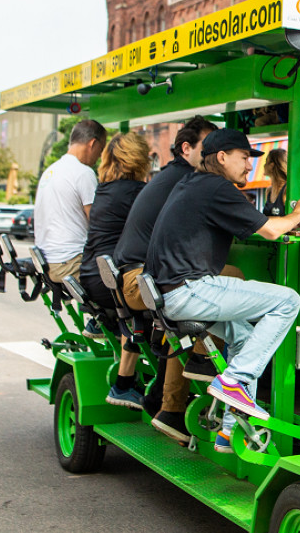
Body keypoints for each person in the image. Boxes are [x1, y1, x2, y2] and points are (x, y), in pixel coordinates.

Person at [145, 128, 300, 451]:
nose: (249, 167)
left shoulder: (193, 184)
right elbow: (271, 231)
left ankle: (228, 430)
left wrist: (289, 221)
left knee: (243, 337)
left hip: (169, 296)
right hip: (190, 290)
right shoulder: (218, 188)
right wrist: (299, 214)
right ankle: (233, 381)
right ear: (222, 158)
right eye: (244, 158)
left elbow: (255, 221)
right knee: (288, 301)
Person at [113, 115, 217, 427]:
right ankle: (203, 365)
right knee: (225, 284)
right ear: (187, 148)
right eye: (208, 147)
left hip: (137, 276)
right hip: (142, 278)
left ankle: (169, 405)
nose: (215, 154)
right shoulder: (187, 180)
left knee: (196, 296)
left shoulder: (173, 176)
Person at [79, 131, 151, 409]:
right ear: (138, 159)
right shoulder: (137, 193)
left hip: (92, 273)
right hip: (111, 279)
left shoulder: (105, 189)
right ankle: (123, 385)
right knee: (151, 306)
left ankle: (101, 320)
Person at [33, 119, 107, 282]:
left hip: (47, 261)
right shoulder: (83, 173)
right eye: (100, 150)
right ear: (92, 144)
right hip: (71, 262)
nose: (99, 157)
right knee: (123, 281)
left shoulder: (50, 171)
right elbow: (96, 223)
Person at [262, 148, 288, 217]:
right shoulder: (269, 191)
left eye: (266, 162)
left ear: (271, 165)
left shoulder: (287, 190)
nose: (263, 166)